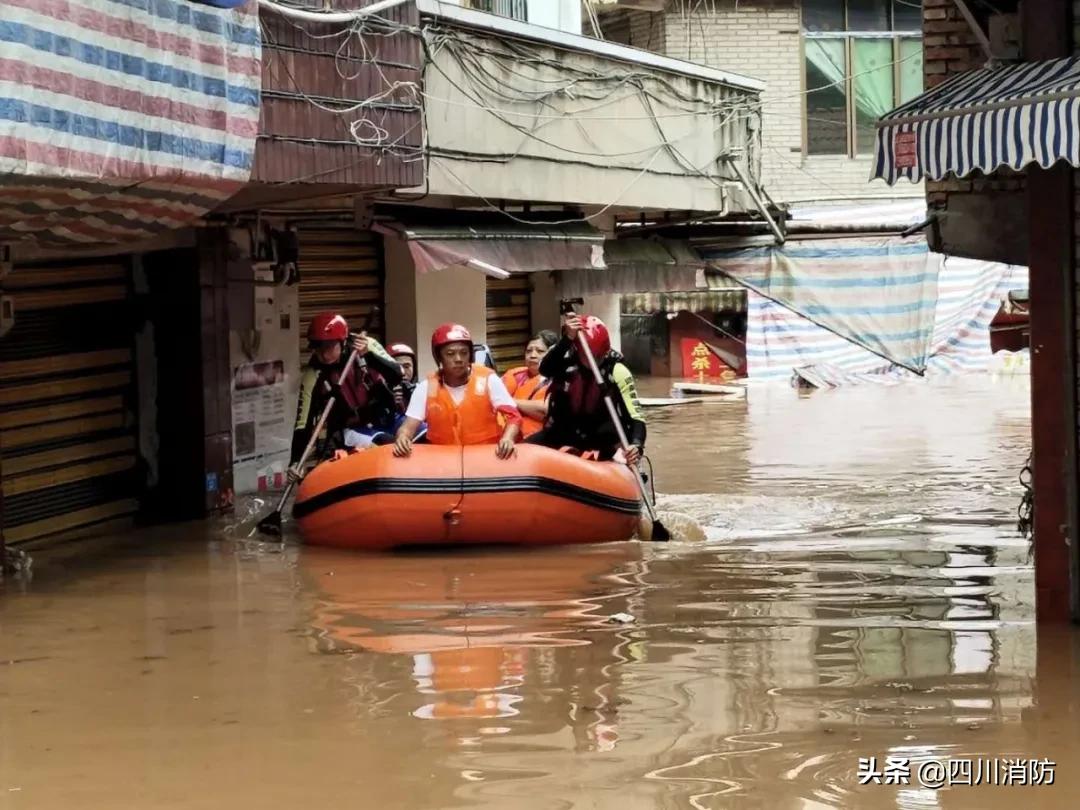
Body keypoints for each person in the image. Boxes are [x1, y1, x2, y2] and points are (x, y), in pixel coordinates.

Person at [288, 312, 403, 480]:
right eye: (318, 349)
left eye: (329, 347)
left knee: (421, 435)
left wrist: (368, 355)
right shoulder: (313, 375)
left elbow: (397, 373)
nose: (324, 355)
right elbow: (303, 423)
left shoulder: (366, 345)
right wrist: (295, 461)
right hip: (351, 429)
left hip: (386, 416)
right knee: (389, 444)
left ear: (342, 342)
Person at [526, 314, 645, 465]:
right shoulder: (565, 359)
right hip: (561, 434)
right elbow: (545, 369)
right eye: (588, 356)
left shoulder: (617, 370)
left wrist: (637, 444)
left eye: (598, 357)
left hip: (601, 439)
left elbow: (636, 417)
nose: (593, 361)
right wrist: (568, 338)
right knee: (522, 452)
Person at [393, 323, 520, 459]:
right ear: (439, 358)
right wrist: (403, 438)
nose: (458, 359)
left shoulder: (489, 380)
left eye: (464, 353)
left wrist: (508, 438)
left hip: (486, 457)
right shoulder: (425, 387)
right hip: (444, 461)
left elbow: (514, 417)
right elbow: (407, 428)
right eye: (450, 354)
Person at [501, 330, 558, 439]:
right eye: (528, 351)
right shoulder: (514, 375)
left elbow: (545, 411)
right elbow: (493, 403)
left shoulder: (559, 379)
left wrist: (509, 401)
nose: (532, 355)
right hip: (506, 437)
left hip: (538, 443)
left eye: (540, 351)